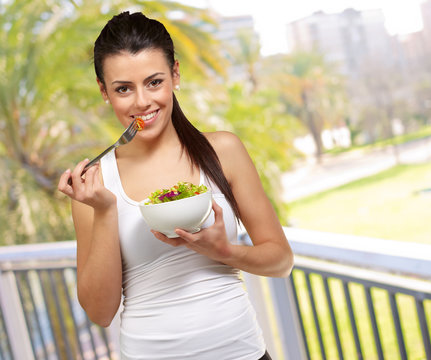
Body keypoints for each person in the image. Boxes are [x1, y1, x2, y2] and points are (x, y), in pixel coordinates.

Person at [58, 11, 293, 360]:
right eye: (124, 88)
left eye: (154, 82)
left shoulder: (223, 151)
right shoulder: (94, 186)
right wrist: (106, 210)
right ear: (104, 92)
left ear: (175, 75)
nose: (142, 102)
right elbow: (100, 312)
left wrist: (225, 252)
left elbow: (281, 260)